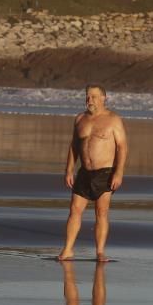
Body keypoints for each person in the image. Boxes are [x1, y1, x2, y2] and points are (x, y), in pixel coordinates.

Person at [57, 85, 128, 262]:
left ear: (104, 98)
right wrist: (69, 170)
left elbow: (122, 147)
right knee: (74, 210)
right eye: (87, 96)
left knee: (101, 212)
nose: (89, 100)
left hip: (105, 172)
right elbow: (74, 146)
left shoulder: (113, 120)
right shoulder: (80, 118)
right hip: (84, 173)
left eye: (94, 97)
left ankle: (100, 252)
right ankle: (67, 250)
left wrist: (118, 173)